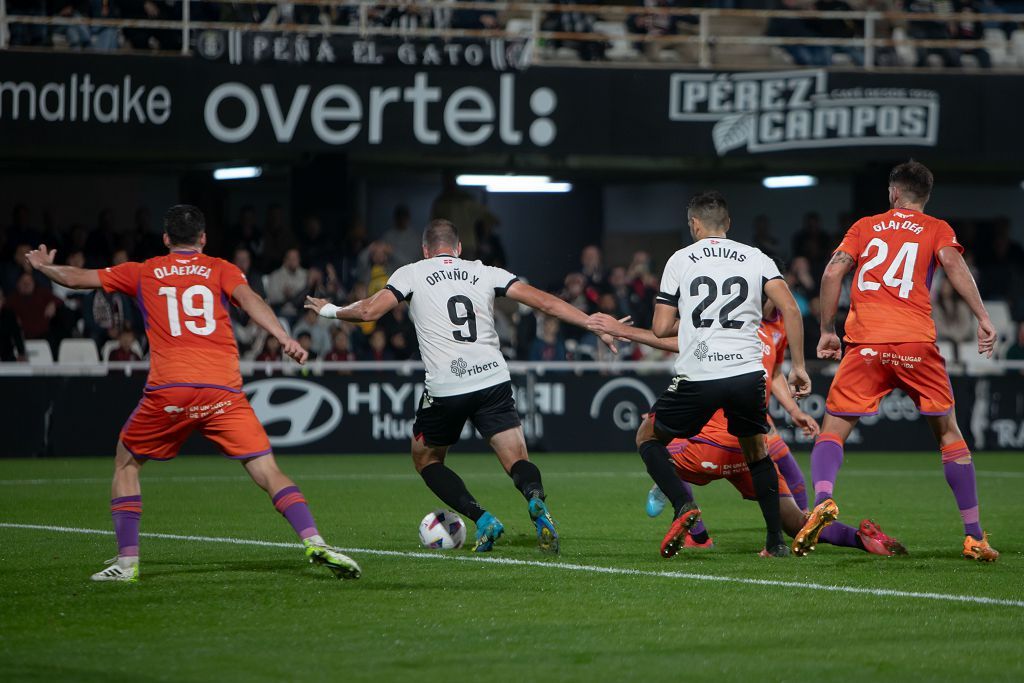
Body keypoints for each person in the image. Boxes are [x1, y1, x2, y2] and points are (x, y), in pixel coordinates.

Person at [23, 205, 360, 582]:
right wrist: (283, 338)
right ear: (203, 238)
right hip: (222, 390)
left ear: (166, 239)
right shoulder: (220, 268)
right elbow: (250, 301)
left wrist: (43, 268)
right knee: (267, 469)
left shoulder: (143, 270)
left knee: (125, 463)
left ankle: (127, 562)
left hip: (170, 388)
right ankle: (315, 540)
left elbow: (78, 278)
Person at [306, 219, 618, 554]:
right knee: (516, 459)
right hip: (492, 379)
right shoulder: (484, 271)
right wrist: (590, 322)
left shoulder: (412, 272)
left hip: (447, 386)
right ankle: (535, 498)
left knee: (426, 460)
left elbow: (368, 312)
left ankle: (482, 519)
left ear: (426, 250)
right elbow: (543, 301)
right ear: (458, 249)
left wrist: (328, 310)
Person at [590, 191, 810, 559]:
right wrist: (800, 366)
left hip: (701, 374)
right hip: (746, 373)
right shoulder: (756, 258)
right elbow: (790, 307)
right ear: (728, 224)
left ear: (693, 224)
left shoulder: (680, 259)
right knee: (757, 453)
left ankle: (683, 505)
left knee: (647, 435)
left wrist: (689, 324)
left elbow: (661, 330)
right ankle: (775, 543)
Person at [802, 160, 999, 561]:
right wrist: (982, 317)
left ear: (893, 193)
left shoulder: (865, 226)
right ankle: (974, 536)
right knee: (949, 434)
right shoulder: (936, 228)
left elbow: (831, 273)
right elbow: (954, 265)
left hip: (866, 344)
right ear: (925, 196)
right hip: (914, 343)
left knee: (834, 430)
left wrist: (826, 330)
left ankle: (822, 500)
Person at [0, 290, 26, 362]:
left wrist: (21, 353)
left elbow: (17, 335)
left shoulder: (9, 315)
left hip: (6, 355)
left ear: (3, 300)